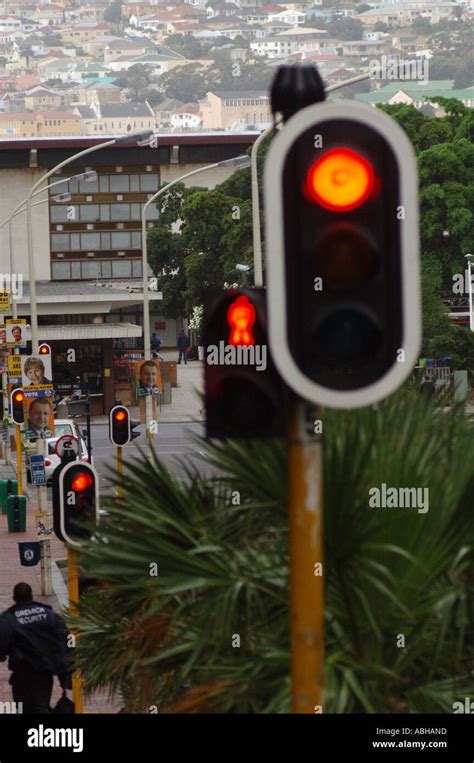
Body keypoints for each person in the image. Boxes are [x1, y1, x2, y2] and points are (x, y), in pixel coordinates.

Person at [0, 583, 72, 714]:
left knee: (23, 708)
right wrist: (64, 669)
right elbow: (65, 638)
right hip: (44, 671)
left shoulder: (8, 619)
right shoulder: (48, 614)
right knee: (40, 706)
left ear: (14, 598)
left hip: (22, 673)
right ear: (31, 596)